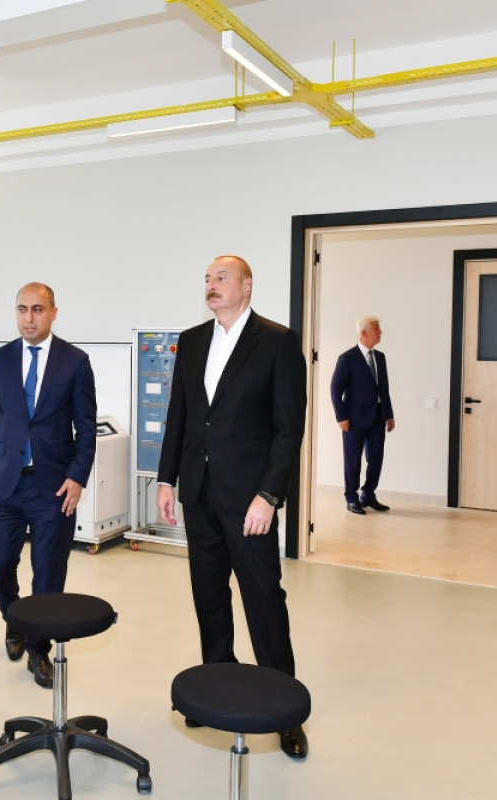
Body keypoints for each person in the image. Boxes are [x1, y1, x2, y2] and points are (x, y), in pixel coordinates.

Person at [156, 255, 309, 760]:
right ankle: (215, 685)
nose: (212, 285)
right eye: (207, 278)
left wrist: (270, 495)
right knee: (209, 595)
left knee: (263, 596)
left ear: (247, 286)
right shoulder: (192, 340)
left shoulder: (277, 342)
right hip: (199, 494)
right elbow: (180, 416)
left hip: (250, 501)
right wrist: (166, 479)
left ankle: (285, 708)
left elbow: (288, 430)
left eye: (222, 278)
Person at [0, 282, 97, 689]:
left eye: (37, 309)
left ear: (54, 312)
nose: (28, 318)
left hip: (52, 487)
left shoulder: (75, 362)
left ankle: (39, 648)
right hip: (5, 482)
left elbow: (86, 428)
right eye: (22, 309)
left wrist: (77, 476)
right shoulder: (1, 359)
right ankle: (15, 619)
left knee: (49, 573)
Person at [329, 316, 395, 515]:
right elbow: (335, 389)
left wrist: (389, 414)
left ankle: (368, 495)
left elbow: (384, 390)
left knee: (376, 458)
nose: (380, 332)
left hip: (377, 418)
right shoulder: (347, 358)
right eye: (377, 329)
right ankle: (351, 498)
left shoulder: (380, 358)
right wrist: (341, 417)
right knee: (353, 460)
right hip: (353, 420)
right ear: (364, 333)